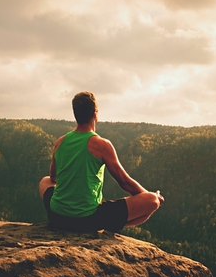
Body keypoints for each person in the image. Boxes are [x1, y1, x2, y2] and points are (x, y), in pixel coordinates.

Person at [39, 91, 164, 232]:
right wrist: (150, 196)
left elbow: (54, 178)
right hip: (86, 219)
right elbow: (124, 182)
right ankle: (106, 224)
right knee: (152, 202)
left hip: (56, 216)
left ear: (75, 114)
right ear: (95, 114)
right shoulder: (101, 145)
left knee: (45, 181)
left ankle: (101, 221)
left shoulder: (60, 142)